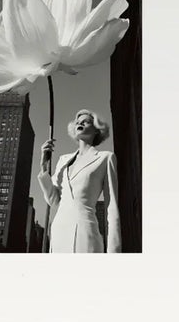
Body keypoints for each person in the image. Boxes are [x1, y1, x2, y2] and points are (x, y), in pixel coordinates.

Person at [37, 108, 121, 253]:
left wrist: (114, 251)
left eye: (86, 121)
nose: (80, 123)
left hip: (85, 235)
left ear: (96, 129)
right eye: (77, 122)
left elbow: (112, 208)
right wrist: (44, 167)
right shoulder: (63, 160)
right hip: (58, 233)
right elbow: (54, 201)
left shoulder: (105, 158)